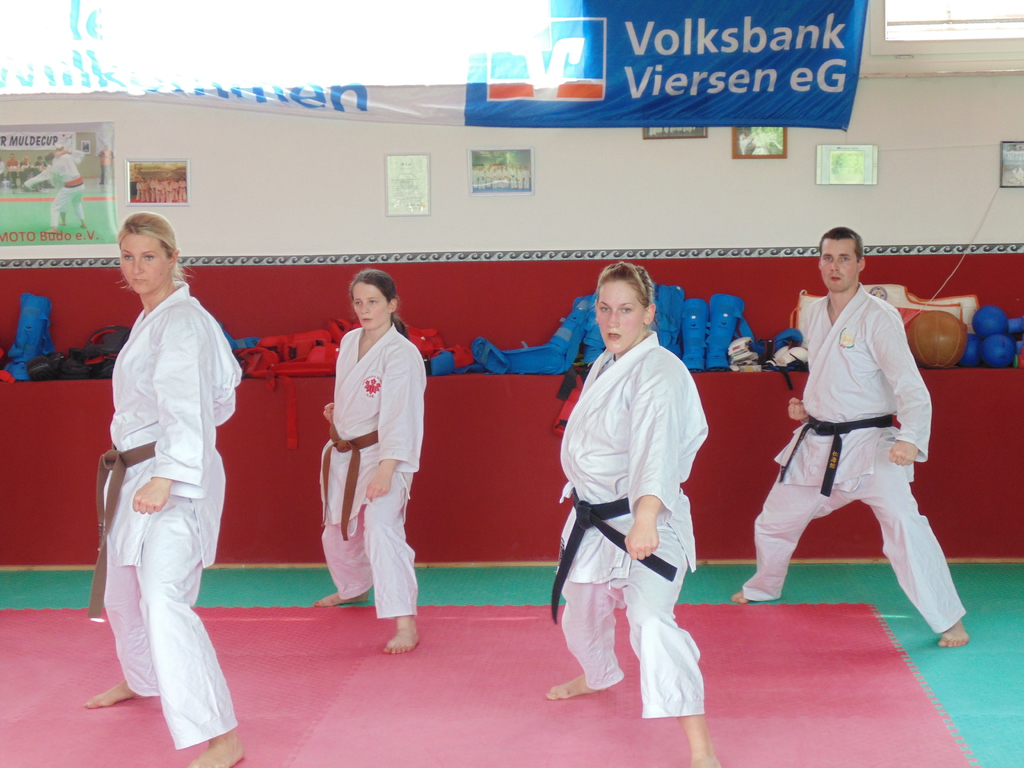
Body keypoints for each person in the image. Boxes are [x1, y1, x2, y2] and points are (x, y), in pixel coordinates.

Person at [731, 226, 969, 648]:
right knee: (773, 521)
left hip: (872, 444)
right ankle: (764, 586)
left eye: (844, 258)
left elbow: (908, 383)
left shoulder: (879, 317)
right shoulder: (813, 313)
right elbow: (833, 373)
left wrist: (911, 437)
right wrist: (809, 407)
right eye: (828, 258)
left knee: (904, 524)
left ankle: (949, 620)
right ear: (819, 263)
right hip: (820, 442)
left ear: (861, 264)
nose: (835, 266)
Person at [85, 212, 245, 768]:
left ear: (174, 259)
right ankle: (143, 679)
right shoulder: (155, 318)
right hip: (141, 471)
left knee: (162, 599)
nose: (137, 269)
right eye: (127, 257)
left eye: (149, 257)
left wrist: (166, 471)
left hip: (171, 477)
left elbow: (187, 403)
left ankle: (221, 735)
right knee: (120, 593)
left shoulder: (181, 323)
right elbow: (223, 392)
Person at [547, 262, 721, 768]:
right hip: (594, 520)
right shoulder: (607, 361)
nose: (612, 320)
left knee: (650, 622)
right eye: (604, 309)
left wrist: (645, 518)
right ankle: (598, 674)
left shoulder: (659, 372)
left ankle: (700, 746)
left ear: (649, 313)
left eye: (625, 310)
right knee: (581, 611)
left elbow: (656, 450)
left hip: (647, 518)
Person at [316, 268, 427, 654]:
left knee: (380, 529)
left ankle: (405, 622)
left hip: (385, 455)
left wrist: (386, 470)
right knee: (337, 529)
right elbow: (356, 394)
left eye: (373, 302)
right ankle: (353, 588)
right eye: (358, 303)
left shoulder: (401, 354)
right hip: (348, 452)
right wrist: (339, 415)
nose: (364, 310)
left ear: (392, 305)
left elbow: (401, 414)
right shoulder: (350, 341)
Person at [23, 144, 87, 232]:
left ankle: (54, 228)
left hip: (70, 186)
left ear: (49, 160)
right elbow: (81, 154)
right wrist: (67, 151)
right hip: (80, 185)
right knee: (77, 203)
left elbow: (42, 176)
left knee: (55, 206)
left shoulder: (53, 167)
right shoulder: (67, 156)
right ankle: (83, 223)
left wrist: (27, 184)